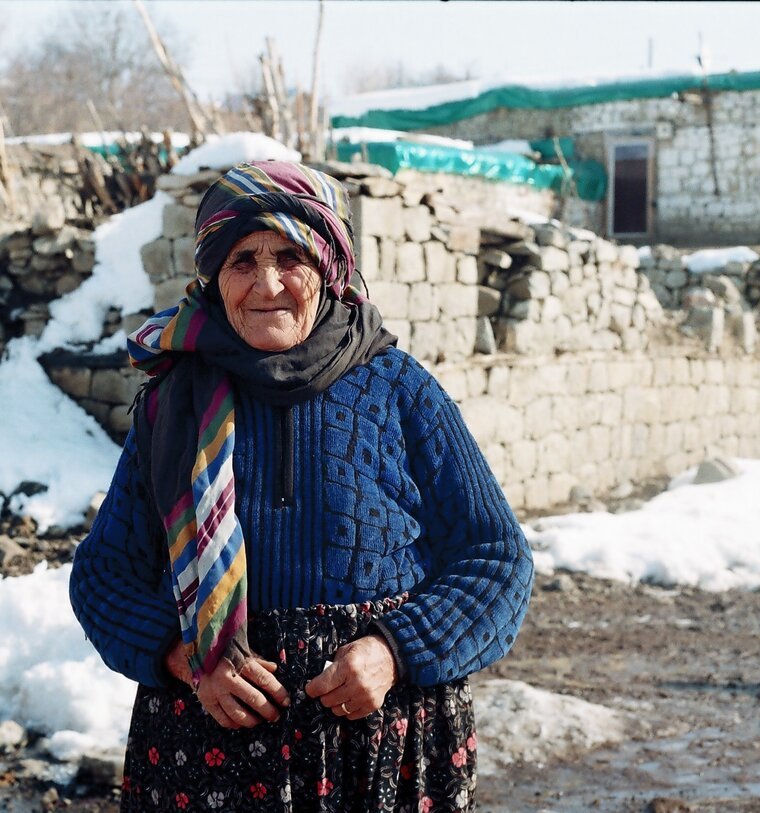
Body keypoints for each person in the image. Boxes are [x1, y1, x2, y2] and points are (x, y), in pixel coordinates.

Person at [70, 160, 532, 813]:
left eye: (291, 256)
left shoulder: (398, 389)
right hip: (210, 748)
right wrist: (183, 654)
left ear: (329, 267)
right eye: (241, 261)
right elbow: (102, 574)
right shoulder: (171, 404)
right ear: (211, 275)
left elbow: (496, 557)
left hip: (378, 746)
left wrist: (394, 651)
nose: (267, 283)